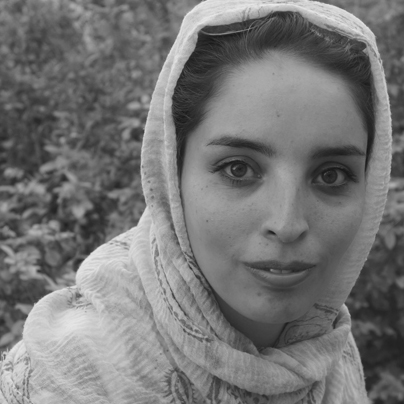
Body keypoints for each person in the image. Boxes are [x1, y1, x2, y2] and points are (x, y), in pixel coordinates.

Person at [0, 0, 392, 403]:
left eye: (331, 175)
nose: (287, 223)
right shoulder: (67, 380)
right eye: (238, 169)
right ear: (172, 174)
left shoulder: (329, 348)